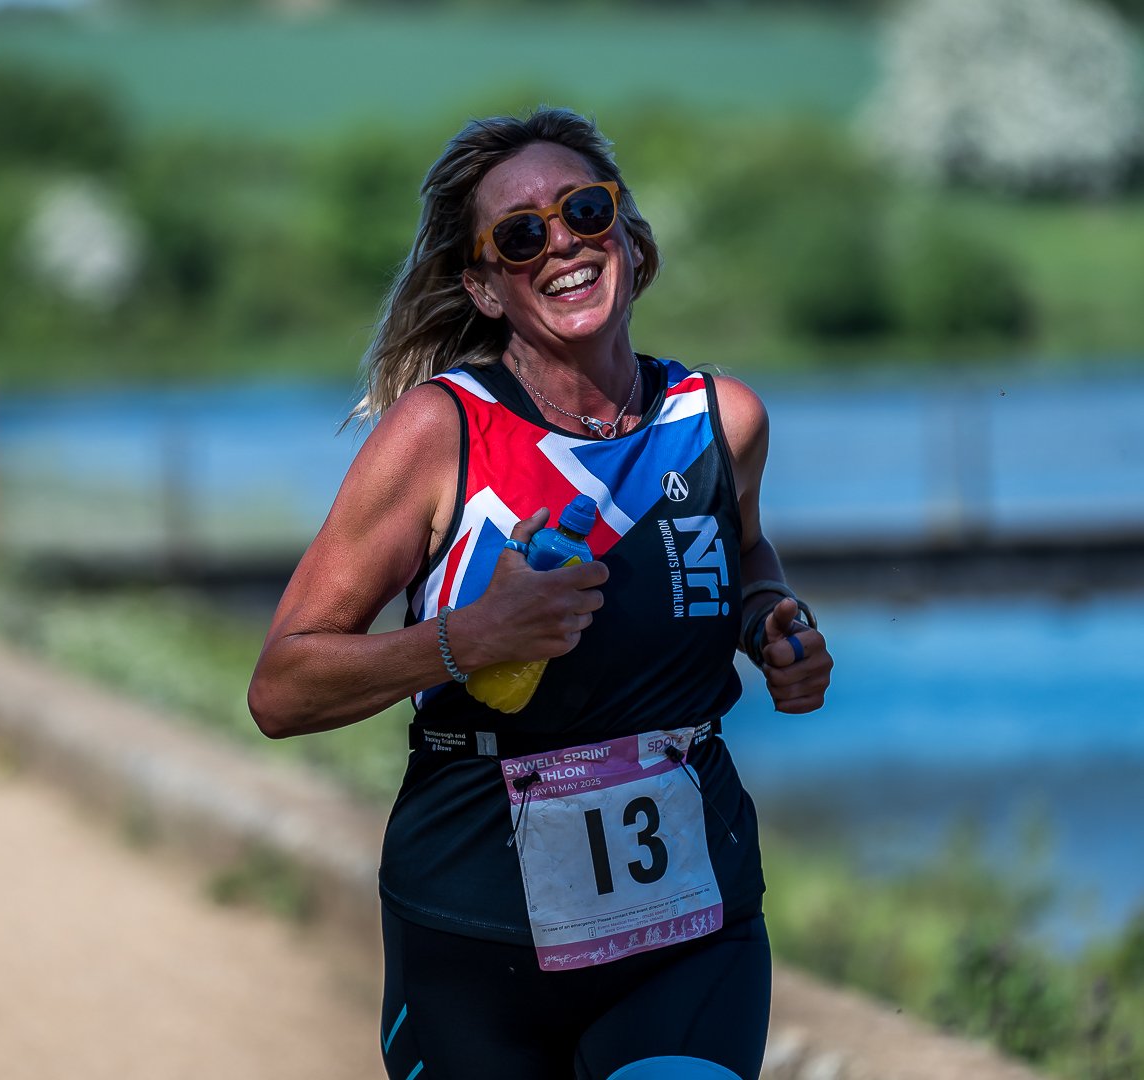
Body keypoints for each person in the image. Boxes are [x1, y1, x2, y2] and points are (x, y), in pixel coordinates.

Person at [247, 109, 833, 1079]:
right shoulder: (441, 436)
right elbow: (283, 686)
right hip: (476, 928)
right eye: (521, 235)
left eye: (585, 211)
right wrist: (470, 637)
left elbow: (743, 552)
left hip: (690, 919)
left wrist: (770, 618)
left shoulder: (720, 419)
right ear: (482, 284)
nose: (560, 242)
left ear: (631, 242)